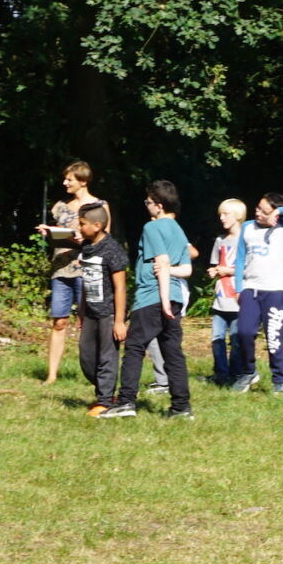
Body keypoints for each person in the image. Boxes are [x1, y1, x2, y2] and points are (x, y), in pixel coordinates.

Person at [115, 180, 193, 420]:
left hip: (152, 297)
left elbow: (161, 262)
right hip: (175, 297)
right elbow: (186, 269)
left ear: (159, 205)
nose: (146, 206)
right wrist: (170, 297)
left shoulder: (152, 228)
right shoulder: (179, 230)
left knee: (134, 347)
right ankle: (181, 407)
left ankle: (126, 402)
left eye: (148, 202)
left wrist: (164, 300)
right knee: (173, 353)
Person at [230, 193, 283, 394]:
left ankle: (279, 379)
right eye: (257, 207)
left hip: (275, 290)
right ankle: (248, 372)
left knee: (274, 337)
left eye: (263, 210)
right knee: (244, 332)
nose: (257, 212)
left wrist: (279, 212)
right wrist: (238, 288)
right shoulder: (247, 227)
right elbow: (239, 259)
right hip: (250, 288)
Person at [35, 162, 106, 385]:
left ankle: (93, 371)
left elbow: (106, 238)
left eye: (70, 180)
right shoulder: (60, 206)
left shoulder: (99, 206)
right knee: (59, 322)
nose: (65, 183)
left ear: (83, 181)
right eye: (65, 179)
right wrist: (50, 232)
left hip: (87, 270)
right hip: (61, 269)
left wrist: (83, 239)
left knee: (87, 322)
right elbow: (60, 234)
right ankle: (52, 375)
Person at [71, 205, 129, 418]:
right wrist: (81, 311)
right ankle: (106, 392)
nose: (79, 228)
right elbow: (86, 282)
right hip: (90, 313)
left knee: (107, 357)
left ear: (97, 226)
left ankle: (104, 401)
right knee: (86, 357)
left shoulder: (112, 250)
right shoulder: (86, 247)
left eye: (82, 224)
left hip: (108, 313)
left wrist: (119, 320)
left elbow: (120, 287)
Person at [208, 198, 246, 388]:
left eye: (226, 214)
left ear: (238, 216)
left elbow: (249, 268)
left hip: (238, 299)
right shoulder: (220, 241)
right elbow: (216, 264)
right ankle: (221, 374)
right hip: (220, 300)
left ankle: (237, 373)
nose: (221, 218)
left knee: (237, 340)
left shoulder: (246, 240)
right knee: (217, 338)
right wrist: (214, 271)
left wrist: (227, 271)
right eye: (220, 214)